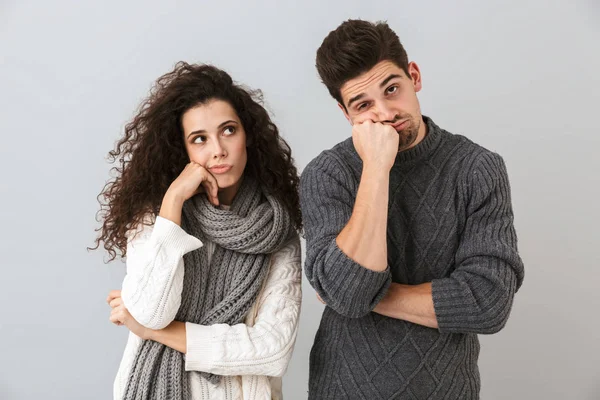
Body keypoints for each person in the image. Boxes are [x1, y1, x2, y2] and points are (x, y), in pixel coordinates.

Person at [300, 19, 524, 399]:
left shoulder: (476, 167)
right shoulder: (328, 174)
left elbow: (488, 302)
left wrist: (370, 294)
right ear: (346, 114)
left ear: (414, 76)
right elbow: (348, 293)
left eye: (392, 89)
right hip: (342, 389)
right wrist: (375, 167)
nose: (386, 112)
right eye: (364, 105)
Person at [92, 62, 302, 400]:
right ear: (183, 150)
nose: (217, 149)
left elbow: (272, 350)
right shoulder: (154, 218)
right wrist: (173, 200)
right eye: (199, 139)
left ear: (248, 135)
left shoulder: (276, 232)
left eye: (229, 130)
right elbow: (152, 309)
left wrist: (151, 331)